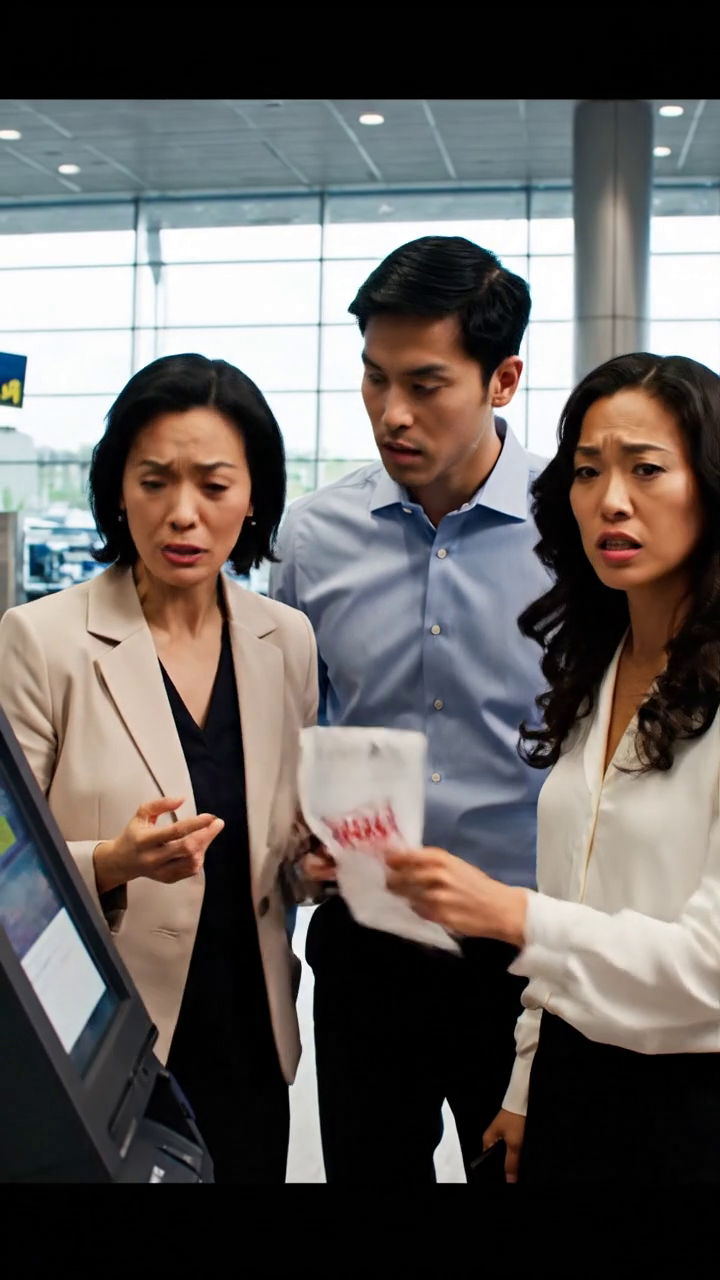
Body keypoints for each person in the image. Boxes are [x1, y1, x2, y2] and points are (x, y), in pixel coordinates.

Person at [385, 351, 720, 1185]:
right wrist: (528, 1082)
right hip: (575, 1081)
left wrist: (511, 914)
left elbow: (707, 973)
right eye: (586, 471)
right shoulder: (597, 671)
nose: (611, 500)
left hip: (690, 1103)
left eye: (647, 469)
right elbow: (579, 900)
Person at [269, 235, 551, 1184]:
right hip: (368, 938)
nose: (392, 412)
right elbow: (296, 726)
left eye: (427, 383)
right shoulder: (312, 537)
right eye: (374, 377)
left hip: (526, 948)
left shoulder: (578, 533)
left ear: (502, 378)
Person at [0, 353, 318, 1185]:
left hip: (253, 1037)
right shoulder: (43, 641)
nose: (184, 515)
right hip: (108, 1047)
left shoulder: (286, 640)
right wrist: (113, 862)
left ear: (254, 497)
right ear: (117, 490)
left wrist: (312, 865)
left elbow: (279, 839)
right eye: (155, 482)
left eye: (215, 486)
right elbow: (7, 875)